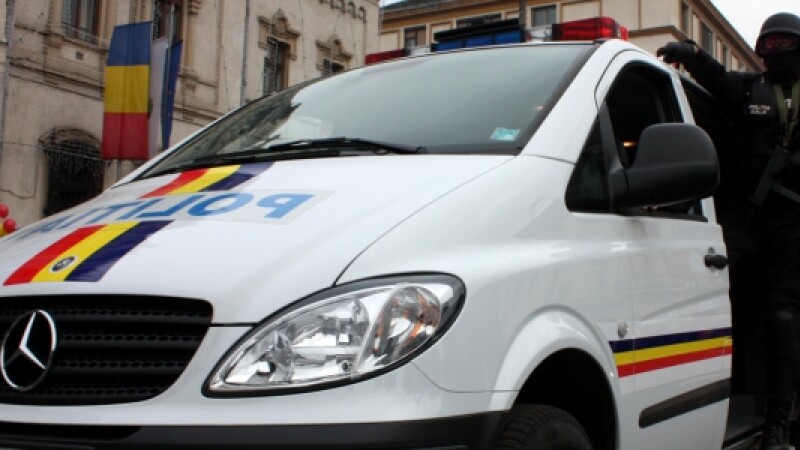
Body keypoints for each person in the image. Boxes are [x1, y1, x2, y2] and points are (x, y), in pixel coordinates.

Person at [658, 12, 800, 450]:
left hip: (794, 223)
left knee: (784, 318)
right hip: (746, 212)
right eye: (769, 45)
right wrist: (690, 55)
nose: (775, 51)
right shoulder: (750, 89)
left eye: (784, 44)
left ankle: (779, 423)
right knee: (713, 290)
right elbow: (718, 80)